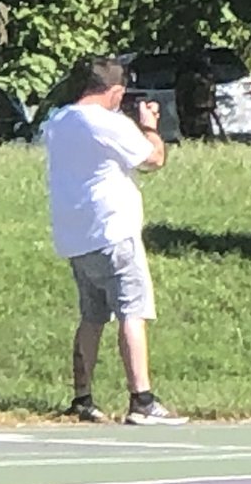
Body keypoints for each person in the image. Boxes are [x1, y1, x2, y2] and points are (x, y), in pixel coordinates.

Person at [42, 56, 186, 425]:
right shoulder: (107, 122)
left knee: (91, 317)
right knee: (132, 312)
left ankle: (83, 397)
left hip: (76, 235)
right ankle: (142, 399)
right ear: (115, 91)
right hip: (114, 230)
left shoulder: (58, 121)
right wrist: (151, 126)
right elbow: (153, 159)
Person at [174, 51, 219, 141]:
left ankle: (199, 136)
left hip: (198, 104)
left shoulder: (194, 76)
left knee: (200, 123)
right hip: (195, 104)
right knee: (195, 123)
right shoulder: (193, 77)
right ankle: (195, 136)